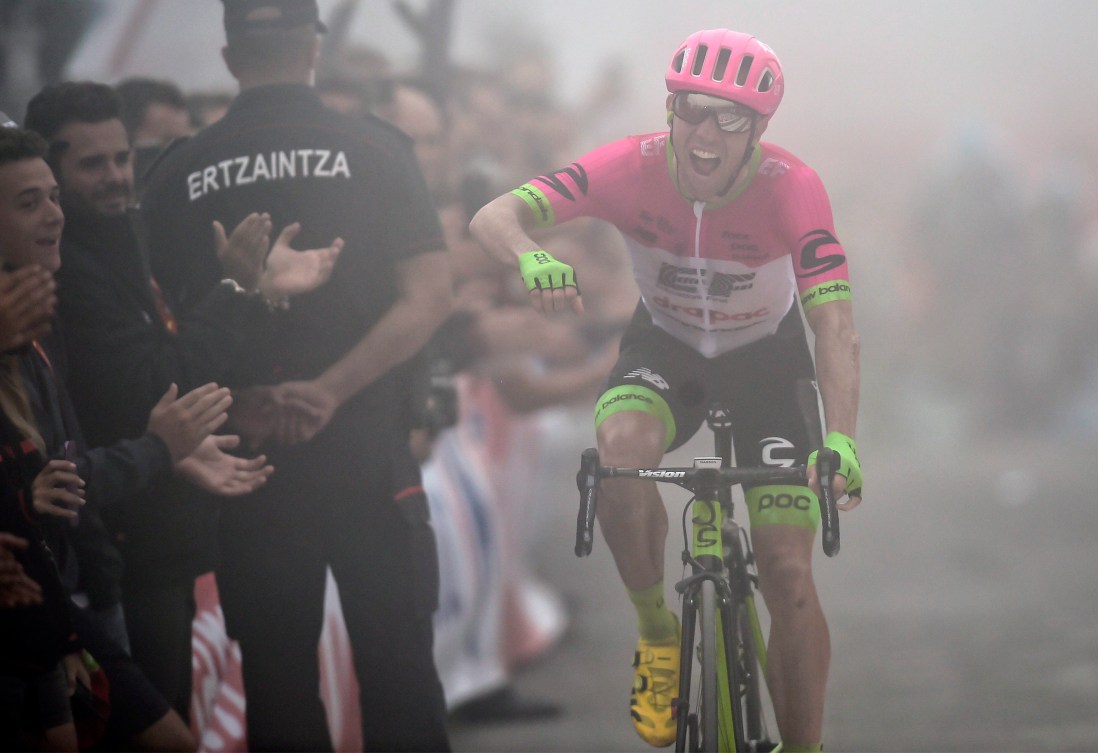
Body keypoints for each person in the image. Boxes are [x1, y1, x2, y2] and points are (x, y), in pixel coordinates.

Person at [470, 29, 863, 752]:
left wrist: (841, 434)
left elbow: (833, 323)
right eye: (691, 110)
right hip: (666, 345)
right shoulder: (628, 166)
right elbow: (492, 215)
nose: (705, 134)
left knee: (786, 570)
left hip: (766, 361)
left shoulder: (792, 186)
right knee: (619, 453)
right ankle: (657, 630)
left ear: (759, 130)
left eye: (731, 118)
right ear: (669, 107)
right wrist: (528, 257)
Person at [139, 1, 454, 750]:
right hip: (366, 450)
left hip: (246, 459)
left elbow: (152, 327)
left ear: (227, 57)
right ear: (313, 47)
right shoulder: (376, 148)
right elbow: (431, 296)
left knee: (278, 677)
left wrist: (239, 398)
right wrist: (331, 389)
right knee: (398, 663)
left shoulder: (175, 171)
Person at [23, 79, 339, 722]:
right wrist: (236, 289)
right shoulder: (65, 273)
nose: (115, 177)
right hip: (117, 543)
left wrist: (259, 294)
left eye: (122, 158)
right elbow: (157, 381)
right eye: (91, 165)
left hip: (154, 535)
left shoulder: (124, 234)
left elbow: (181, 364)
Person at [0, 124, 276, 751]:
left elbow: (66, 460)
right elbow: (56, 482)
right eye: (28, 202)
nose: (53, 216)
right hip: (54, 594)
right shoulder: (65, 295)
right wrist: (159, 449)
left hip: (70, 588)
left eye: (50, 198)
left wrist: (169, 453)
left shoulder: (47, 309)